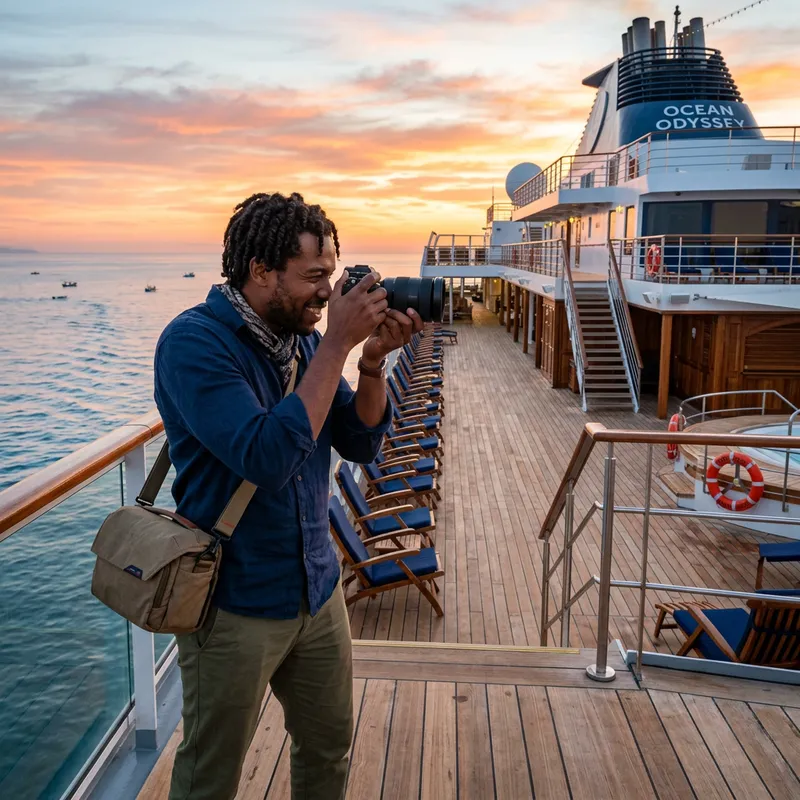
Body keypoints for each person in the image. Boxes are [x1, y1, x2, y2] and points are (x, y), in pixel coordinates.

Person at [153, 191, 422, 800]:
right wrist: (336, 347)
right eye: (314, 276)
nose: (328, 292)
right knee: (210, 776)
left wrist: (373, 364)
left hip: (316, 588)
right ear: (260, 272)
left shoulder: (298, 341)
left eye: (332, 274)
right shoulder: (194, 345)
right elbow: (266, 456)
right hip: (233, 601)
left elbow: (358, 440)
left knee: (328, 748)